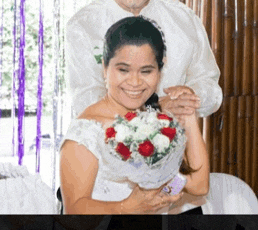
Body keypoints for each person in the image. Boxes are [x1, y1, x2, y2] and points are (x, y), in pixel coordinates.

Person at [66, 0, 223, 122]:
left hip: (174, 148)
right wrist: (156, 109)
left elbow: (212, 90)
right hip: (102, 150)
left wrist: (188, 96)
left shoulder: (184, 19)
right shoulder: (83, 26)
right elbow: (87, 104)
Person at [59, 16, 210, 214]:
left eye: (146, 71)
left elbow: (198, 185)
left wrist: (188, 115)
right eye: (123, 70)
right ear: (105, 68)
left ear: (160, 70)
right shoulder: (86, 131)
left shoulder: (156, 124)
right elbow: (74, 210)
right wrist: (127, 207)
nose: (135, 82)